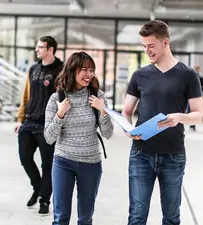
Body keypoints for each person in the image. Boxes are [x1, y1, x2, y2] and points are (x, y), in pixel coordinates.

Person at [122, 20, 203, 225]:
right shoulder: (140, 75)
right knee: (137, 216)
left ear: (165, 42)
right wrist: (128, 129)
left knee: (171, 217)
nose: (147, 51)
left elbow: (199, 114)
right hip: (141, 153)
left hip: (173, 156)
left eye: (151, 45)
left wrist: (179, 117)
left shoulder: (188, 75)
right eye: (144, 46)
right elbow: (126, 111)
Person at [44, 52, 114, 225]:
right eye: (84, 70)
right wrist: (60, 114)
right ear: (72, 70)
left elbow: (108, 133)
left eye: (91, 70)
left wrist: (102, 110)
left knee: (85, 219)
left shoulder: (98, 96)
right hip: (63, 162)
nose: (89, 74)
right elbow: (48, 138)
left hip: (91, 163)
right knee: (60, 218)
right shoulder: (57, 99)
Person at [15, 36, 63, 216]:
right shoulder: (33, 69)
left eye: (40, 47)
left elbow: (63, 98)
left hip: (47, 124)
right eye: (36, 47)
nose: (37, 50)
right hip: (29, 121)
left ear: (50, 49)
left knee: (47, 165)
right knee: (25, 158)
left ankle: (44, 200)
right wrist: (20, 119)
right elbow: (26, 96)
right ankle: (37, 187)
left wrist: (59, 123)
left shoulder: (61, 70)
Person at [190, 65, 203, 131]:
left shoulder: (200, 77)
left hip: (198, 94)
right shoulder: (190, 76)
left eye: (198, 68)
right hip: (191, 95)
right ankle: (192, 124)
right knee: (192, 110)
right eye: (196, 68)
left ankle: (193, 125)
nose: (197, 69)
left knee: (197, 110)